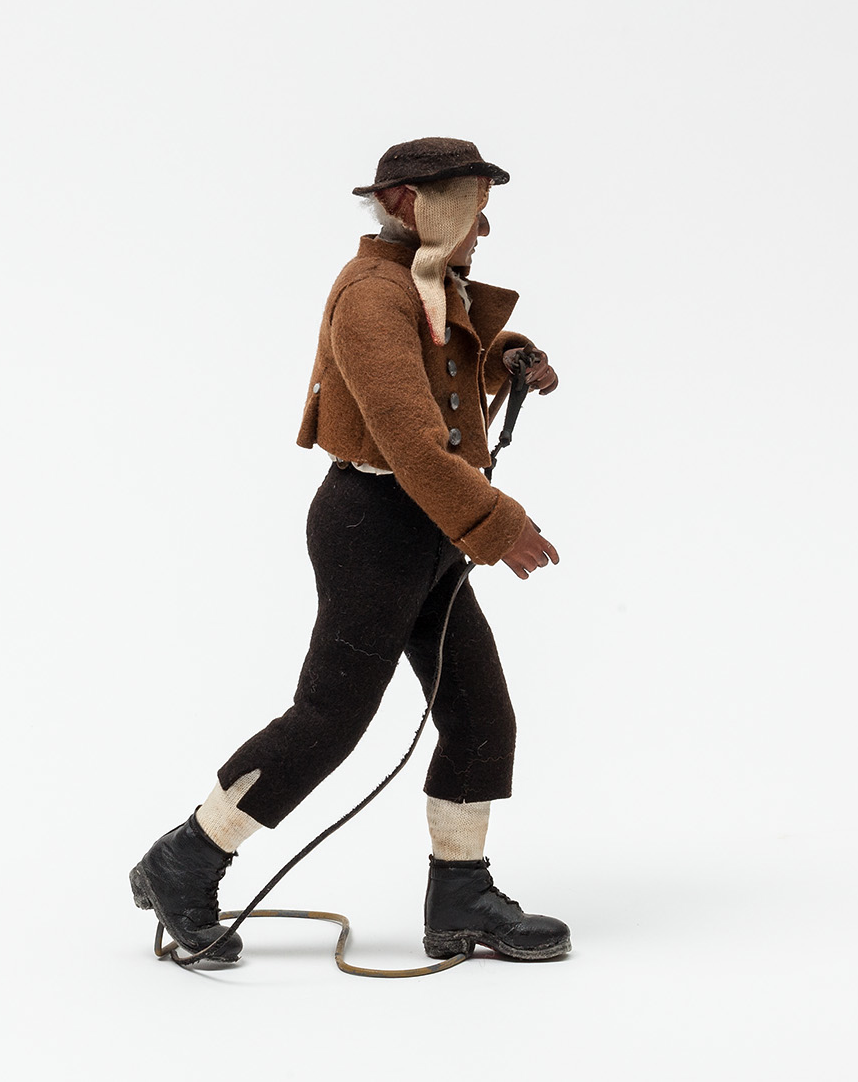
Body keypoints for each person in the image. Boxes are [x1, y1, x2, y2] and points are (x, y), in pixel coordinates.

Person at [130, 138, 569, 964]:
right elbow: (409, 441)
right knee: (329, 719)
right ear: (407, 203)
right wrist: (497, 523)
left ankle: (461, 896)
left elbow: (440, 377)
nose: (482, 227)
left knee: (480, 717)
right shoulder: (372, 295)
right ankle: (184, 858)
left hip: (425, 526)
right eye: (470, 206)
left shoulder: (423, 282)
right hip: (374, 526)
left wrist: (505, 357)